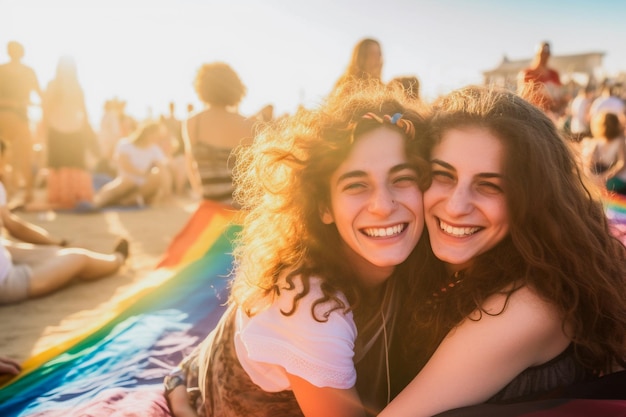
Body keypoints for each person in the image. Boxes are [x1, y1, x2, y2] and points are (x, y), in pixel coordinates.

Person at [164, 83, 429, 417]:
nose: (382, 205)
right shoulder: (308, 304)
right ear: (324, 207)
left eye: (402, 178)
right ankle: (179, 392)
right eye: (356, 185)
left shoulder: (414, 260)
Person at [379, 85, 626, 417]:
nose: (456, 206)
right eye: (443, 175)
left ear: (533, 200)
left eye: (489, 185)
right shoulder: (450, 267)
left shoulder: (529, 305)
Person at [0, 178, 129, 304]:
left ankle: (61, 250)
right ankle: (118, 259)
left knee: (54, 252)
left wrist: (58, 244)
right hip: (6, 283)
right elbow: (15, 227)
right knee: (79, 257)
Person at [182, 62, 257, 207]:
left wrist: (201, 196)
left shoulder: (193, 122)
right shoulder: (248, 124)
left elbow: (190, 165)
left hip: (211, 209)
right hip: (243, 212)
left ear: (201, 87)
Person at [37, 55, 99, 211]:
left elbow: (83, 111)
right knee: (64, 164)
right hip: (62, 128)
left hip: (71, 129)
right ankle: (68, 197)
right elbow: (47, 109)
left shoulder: (72, 86)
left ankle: (68, 197)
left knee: (70, 164)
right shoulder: (61, 86)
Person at [79, 119, 169, 211]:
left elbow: (163, 170)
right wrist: (142, 174)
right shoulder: (125, 144)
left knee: (158, 174)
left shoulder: (155, 150)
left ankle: (130, 199)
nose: (158, 138)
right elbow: (125, 165)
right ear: (147, 133)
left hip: (144, 186)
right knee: (126, 182)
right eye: (156, 135)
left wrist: (167, 193)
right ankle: (96, 203)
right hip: (126, 180)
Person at [0, 41, 42, 203]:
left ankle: (13, 192)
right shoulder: (27, 72)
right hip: (13, 117)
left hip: (8, 117)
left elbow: (39, 95)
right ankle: (26, 193)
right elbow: (40, 95)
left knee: (12, 156)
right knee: (24, 155)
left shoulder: (3, 71)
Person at [579, 111, 626, 194]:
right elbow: (589, 163)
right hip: (606, 176)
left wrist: (602, 177)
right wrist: (594, 177)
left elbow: (621, 164)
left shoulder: (619, 142)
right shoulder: (597, 142)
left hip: (614, 176)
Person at [517, 41, 565, 118]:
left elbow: (559, 95)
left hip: (553, 116)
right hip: (534, 116)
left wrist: (561, 103)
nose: (544, 57)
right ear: (537, 54)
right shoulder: (527, 73)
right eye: (542, 53)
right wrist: (549, 103)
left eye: (546, 53)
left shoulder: (554, 74)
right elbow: (524, 97)